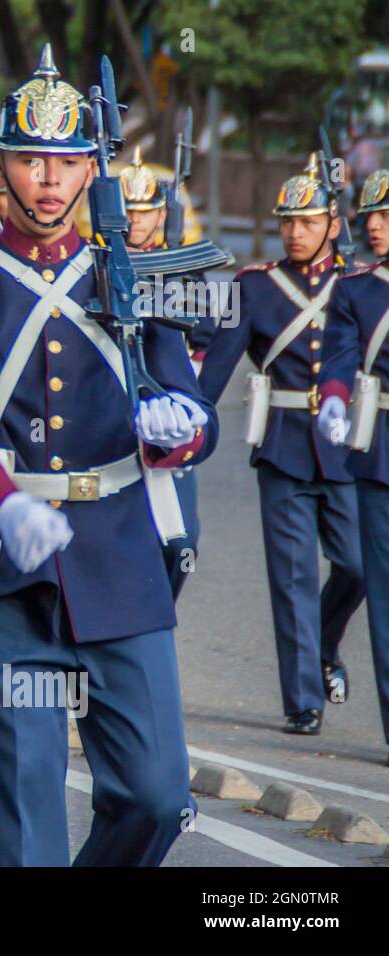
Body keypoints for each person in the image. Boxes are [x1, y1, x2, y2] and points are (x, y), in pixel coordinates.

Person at [0, 44, 217, 866]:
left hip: (120, 555)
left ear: (92, 170)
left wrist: (181, 422)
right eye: (30, 159)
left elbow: (195, 410)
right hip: (8, 570)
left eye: (66, 161)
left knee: (156, 796)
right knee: (20, 813)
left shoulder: (132, 273)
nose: (48, 178)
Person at [199, 155, 366, 735]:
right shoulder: (255, 288)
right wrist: (190, 421)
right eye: (287, 222)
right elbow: (216, 366)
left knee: (358, 565)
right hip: (284, 446)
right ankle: (303, 701)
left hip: (348, 448)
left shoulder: (357, 284)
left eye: (308, 221)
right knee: (291, 578)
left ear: (331, 223)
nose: (295, 232)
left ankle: (324, 644)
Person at [316, 167, 389, 763]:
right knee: (385, 597)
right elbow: (337, 359)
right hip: (383, 454)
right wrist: (334, 402)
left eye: (386, 215)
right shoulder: (356, 289)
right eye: (371, 214)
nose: (374, 224)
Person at [118, 147, 206, 601]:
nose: (135, 220)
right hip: (116, 412)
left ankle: (156, 616)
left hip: (170, 412)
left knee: (181, 540)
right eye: (126, 210)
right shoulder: (98, 265)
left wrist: (190, 403)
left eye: (144, 211)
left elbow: (209, 337)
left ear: (159, 214)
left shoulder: (183, 271)